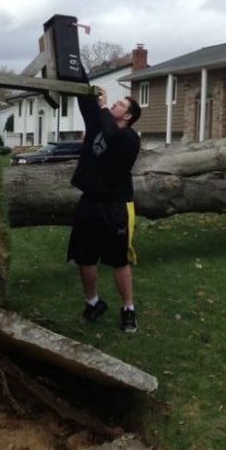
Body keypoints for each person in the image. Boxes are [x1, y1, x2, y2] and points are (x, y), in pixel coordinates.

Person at [67, 75, 142, 333]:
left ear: (128, 116)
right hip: (90, 202)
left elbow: (110, 132)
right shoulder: (101, 121)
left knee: (119, 260)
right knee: (85, 257)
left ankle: (129, 309)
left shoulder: (131, 139)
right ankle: (93, 302)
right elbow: (82, 96)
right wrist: (78, 74)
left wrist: (102, 107)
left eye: (120, 104)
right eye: (115, 103)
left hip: (116, 206)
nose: (114, 106)